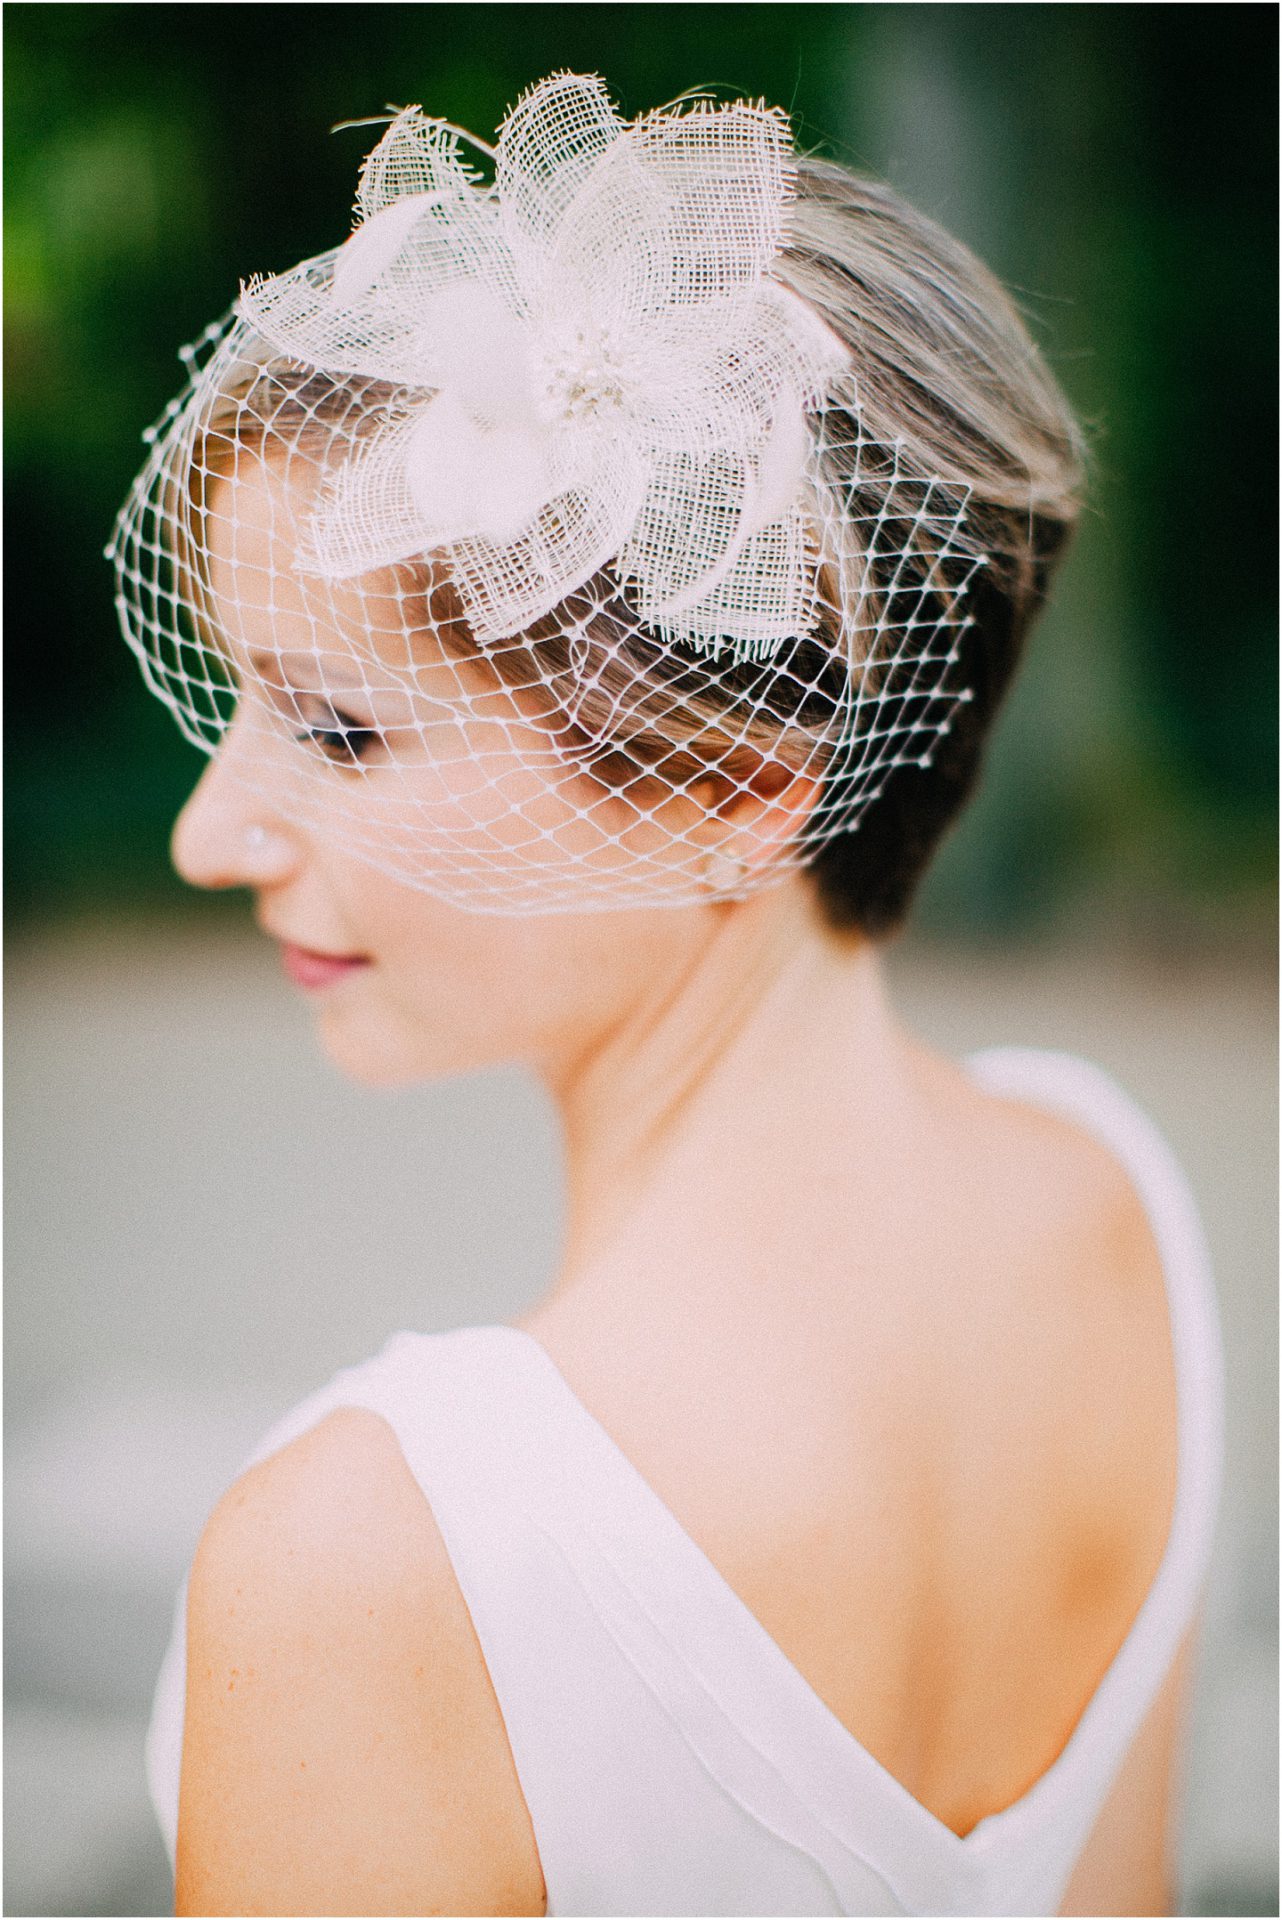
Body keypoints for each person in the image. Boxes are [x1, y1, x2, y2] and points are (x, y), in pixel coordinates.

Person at [112, 73, 1224, 1917]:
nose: (210, 834)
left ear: (733, 791)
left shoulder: (382, 1558)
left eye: (335, 728)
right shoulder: (1108, 1193)